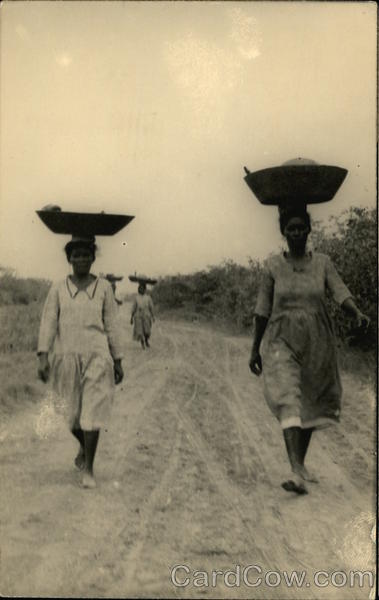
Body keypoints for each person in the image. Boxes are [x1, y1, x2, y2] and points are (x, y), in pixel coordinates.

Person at [249, 205, 370, 495]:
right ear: (283, 232)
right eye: (290, 228)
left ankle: (300, 465)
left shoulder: (323, 263)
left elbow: (339, 290)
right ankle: (295, 471)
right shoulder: (272, 266)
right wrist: (255, 349)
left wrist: (355, 312)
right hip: (281, 339)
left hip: (317, 341)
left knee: (311, 402)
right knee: (289, 397)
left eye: (301, 227)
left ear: (308, 230)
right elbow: (262, 309)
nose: (296, 233)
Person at [37, 236, 124, 489]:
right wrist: (43, 355)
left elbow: (112, 326)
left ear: (93, 258)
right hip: (67, 358)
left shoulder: (105, 288)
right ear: (69, 259)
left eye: (86, 254)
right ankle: (83, 447)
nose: (82, 259)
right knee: (70, 415)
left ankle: (89, 469)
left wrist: (117, 360)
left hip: (98, 357)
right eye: (77, 255)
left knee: (93, 413)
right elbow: (48, 322)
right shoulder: (58, 288)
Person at [130, 283, 155, 349]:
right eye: (139, 288)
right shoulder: (136, 298)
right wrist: (131, 317)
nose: (139, 289)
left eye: (141, 288)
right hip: (138, 316)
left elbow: (151, 307)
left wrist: (153, 316)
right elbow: (133, 308)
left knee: (147, 331)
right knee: (139, 331)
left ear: (144, 289)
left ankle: (146, 340)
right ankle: (142, 343)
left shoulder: (148, 298)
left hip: (146, 315)